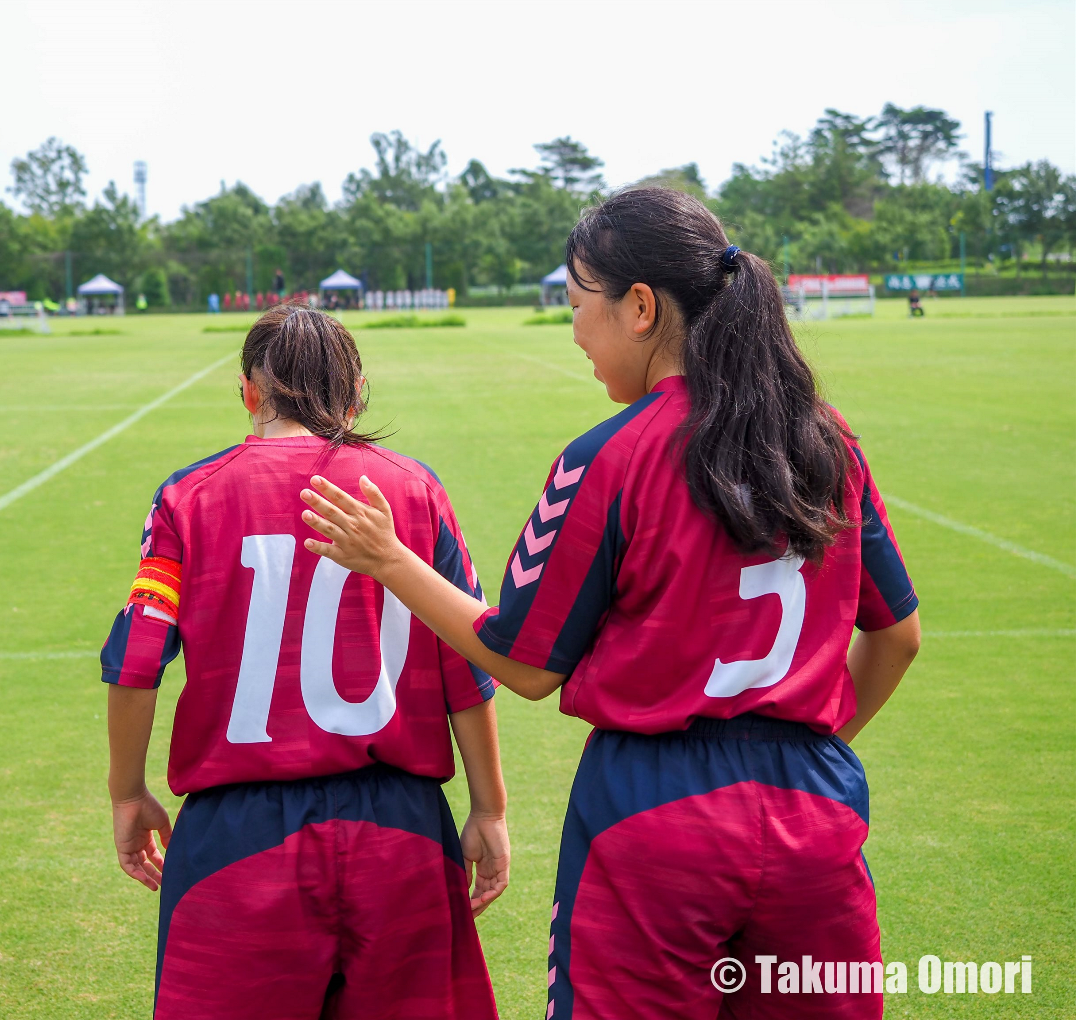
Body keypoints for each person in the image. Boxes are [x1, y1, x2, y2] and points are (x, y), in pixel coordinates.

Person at [300, 188, 922, 1020]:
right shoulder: (824, 439)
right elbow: (899, 638)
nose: (573, 329)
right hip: (814, 809)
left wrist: (391, 561)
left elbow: (524, 664)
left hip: (655, 819)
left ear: (638, 307)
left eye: (575, 302)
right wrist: (802, 747)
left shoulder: (610, 456)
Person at [102, 304, 508, 1020]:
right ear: (354, 398)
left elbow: (138, 661)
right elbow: (466, 660)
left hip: (238, 836)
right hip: (400, 827)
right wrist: (489, 806)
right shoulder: (414, 488)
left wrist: (127, 793)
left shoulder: (187, 497)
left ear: (248, 393)